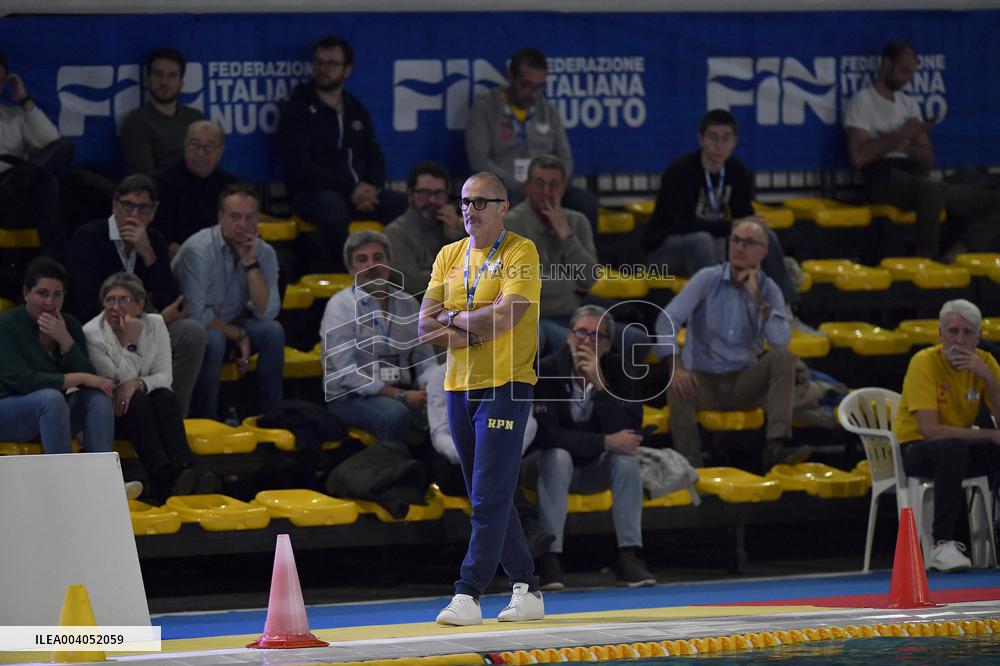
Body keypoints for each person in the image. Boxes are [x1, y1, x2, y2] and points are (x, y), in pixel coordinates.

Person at [419, 171, 544, 626]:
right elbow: (424, 328)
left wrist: (453, 317)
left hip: (507, 384)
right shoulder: (448, 255)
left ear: (503, 207)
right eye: (465, 201)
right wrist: (472, 323)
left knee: (489, 496)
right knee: (485, 495)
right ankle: (527, 587)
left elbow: (506, 319)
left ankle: (468, 592)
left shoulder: (521, 252)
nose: (469, 210)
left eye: (480, 202)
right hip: (458, 387)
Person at [656, 218, 809, 470]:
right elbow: (666, 319)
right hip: (704, 381)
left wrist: (757, 298)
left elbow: (780, 340)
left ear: (764, 251)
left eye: (749, 242)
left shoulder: (769, 291)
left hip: (743, 383)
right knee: (677, 385)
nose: (739, 247)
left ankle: (775, 447)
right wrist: (677, 366)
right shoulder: (707, 278)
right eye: (736, 240)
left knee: (784, 358)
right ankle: (690, 467)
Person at [532, 305, 655, 590]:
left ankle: (629, 555)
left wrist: (600, 386)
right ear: (567, 336)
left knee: (625, 459)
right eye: (581, 333)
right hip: (545, 466)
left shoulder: (621, 373)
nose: (587, 341)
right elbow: (547, 436)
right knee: (559, 456)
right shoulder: (545, 372)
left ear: (608, 345)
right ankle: (549, 558)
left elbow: (629, 428)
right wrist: (603, 442)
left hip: (592, 469)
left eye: (597, 336)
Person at [67, 174, 207, 418]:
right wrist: (152, 321)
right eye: (127, 206)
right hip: (100, 333)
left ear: (153, 212)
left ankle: (173, 417)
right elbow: (87, 305)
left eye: (143, 208)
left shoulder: (154, 240)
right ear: (114, 205)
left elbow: (175, 303)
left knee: (192, 332)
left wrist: (148, 255)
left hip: (141, 330)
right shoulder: (88, 238)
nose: (133, 215)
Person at [845, 40, 1000, 261]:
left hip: (916, 175)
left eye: (911, 73)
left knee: (992, 199)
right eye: (904, 70)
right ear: (886, 64)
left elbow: (927, 160)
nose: (908, 78)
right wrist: (901, 134)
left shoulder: (909, 104)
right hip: (884, 177)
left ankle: (959, 251)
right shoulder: (861, 102)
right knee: (931, 189)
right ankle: (924, 258)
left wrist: (906, 145)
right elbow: (859, 156)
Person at [277, 36, 407, 272]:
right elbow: (300, 166)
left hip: (358, 194)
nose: (323, 69)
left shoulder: (355, 108)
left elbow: (374, 154)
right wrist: (351, 190)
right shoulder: (297, 109)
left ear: (347, 70)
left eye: (331, 63)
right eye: (318, 63)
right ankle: (346, 276)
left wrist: (372, 187)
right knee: (333, 209)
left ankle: (399, 274)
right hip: (312, 194)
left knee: (404, 204)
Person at [643, 109, 798, 306]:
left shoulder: (737, 171)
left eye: (726, 139)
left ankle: (784, 309)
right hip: (664, 255)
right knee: (702, 241)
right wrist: (733, 226)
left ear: (735, 142)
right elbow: (683, 225)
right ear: (701, 140)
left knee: (765, 236)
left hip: (714, 248)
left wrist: (753, 226)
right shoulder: (680, 171)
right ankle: (716, 315)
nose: (719, 145)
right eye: (713, 138)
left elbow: (742, 217)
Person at [893, 299, 1000, 572]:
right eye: (952, 332)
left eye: (967, 332)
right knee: (953, 449)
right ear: (940, 335)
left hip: (958, 447)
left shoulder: (985, 363)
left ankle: (994, 537)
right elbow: (930, 430)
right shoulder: (925, 362)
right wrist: (989, 435)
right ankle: (943, 544)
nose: (959, 340)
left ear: (979, 337)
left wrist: (988, 379)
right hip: (916, 449)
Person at [172, 182, 284, 420]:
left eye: (250, 217)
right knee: (212, 339)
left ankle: (271, 416)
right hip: (192, 330)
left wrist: (250, 264)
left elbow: (267, 312)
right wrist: (238, 335)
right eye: (235, 217)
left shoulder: (264, 253)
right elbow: (195, 313)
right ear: (220, 217)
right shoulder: (198, 250)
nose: (243, 225)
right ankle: (207, 419)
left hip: (231, 324)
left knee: (273, 331)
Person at [83, 273, 199, 503]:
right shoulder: (92, 333)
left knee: (164, 395)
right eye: (110, 300)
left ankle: (180, 468)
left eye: (124, 300)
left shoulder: (155, 324)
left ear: (140, 304)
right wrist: (132, 343)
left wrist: (138, 383)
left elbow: (165, 377)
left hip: (144, 409)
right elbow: (116, 382)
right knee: (136, 399)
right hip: (114, 412)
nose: (116, 307)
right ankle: (166, 477)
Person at [321, 230, 437, 442]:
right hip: (351, 397)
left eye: (378, 257)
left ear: (389, 262)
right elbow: (346, 372)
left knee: (455, 405)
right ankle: (393, 473)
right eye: (362, 259)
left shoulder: (407, 303)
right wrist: (400, 396)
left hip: (402, 390)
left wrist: (430, 388)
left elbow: (425, 359)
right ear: (351, 269)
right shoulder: (340, 307)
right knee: (395, 415)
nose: (372, 265)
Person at [465, 47, 598, 230]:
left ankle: (584, 257)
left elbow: (565, 156)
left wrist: (555, 185)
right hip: (508, 187)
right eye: (526, 85)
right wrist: (520, 186)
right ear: (511, 78)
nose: (533, 93)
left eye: (538, 87)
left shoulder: (548, 110)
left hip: (546, 186)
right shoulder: (485, 108)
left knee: (585, 203)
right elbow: (480, 161)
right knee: (508, 203)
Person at [0, 256, 114, 454]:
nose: (49, 302)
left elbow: (90, 379)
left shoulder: (69, 325)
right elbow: (24, 381)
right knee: (51, 399)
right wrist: (82, 377)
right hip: (10, 411)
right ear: (26, 293)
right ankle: (63, 480)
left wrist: (65, 341)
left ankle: (100, 477)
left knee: (97, 398)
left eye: (57, 295)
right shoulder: (6, 325)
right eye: (42, 293)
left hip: (53, 414)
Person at [504, 155, 597, 356]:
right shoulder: (511, 225)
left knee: (635, 339)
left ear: (563, 188)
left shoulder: (577, 221)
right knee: (579, 347)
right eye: (539, 184)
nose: (546, 192)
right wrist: (571, 283)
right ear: (527, 187)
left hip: (574, 314)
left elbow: (589, 278)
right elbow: (522, 286)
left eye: (553, 184)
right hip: (534, 316)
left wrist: (565, 233)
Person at [0, 49, 74, 259]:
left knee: (63, 148)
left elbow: (50, 140)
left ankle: (53, 261)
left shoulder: (13, 115)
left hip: (17, 192)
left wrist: (24, 100)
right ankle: (56, 258)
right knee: (47, 182)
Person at [154, 120, 239, 254]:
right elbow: (159, 237)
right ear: (185, 146)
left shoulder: (232, 186)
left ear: (220, 151)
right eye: (195, 144)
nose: (200, 152)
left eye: (209, 146)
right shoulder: (162, 183)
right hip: (177, 259)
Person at [382, 161, 464, 296]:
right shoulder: (394, 234)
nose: (432, 200)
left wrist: (455, 238)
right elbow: (414, 285)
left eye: (439, 194)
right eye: (424, 193)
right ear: (410, 194)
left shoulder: (459, 227)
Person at [120, 48, 204, 175]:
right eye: (158, 74)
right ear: (148, 80)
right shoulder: (136, 121)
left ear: (181, 83)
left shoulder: (195, 118)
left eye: (172, 75)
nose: (164, 82)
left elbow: (209, 166)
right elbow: (145, 179)